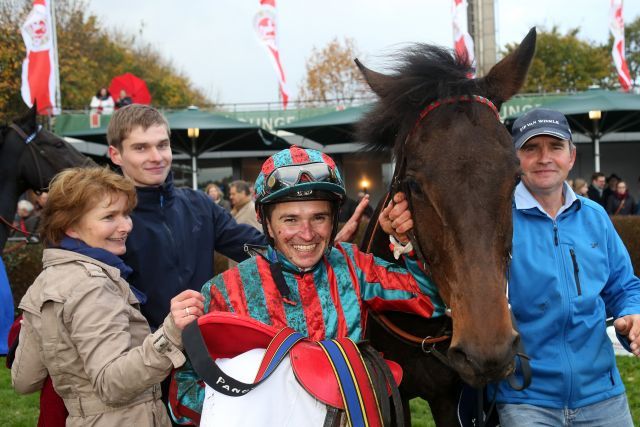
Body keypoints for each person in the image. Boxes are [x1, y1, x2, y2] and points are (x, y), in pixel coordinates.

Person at [169, 147, 444, 424]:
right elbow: (186, 392)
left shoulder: (353, 266)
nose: (307, 234)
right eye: (290, 219)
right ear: (265, 220)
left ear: (333, 218)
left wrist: (405, 243)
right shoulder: (223, 291)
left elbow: (431, 300)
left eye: (319, 217)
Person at [11, 167, 205, 426]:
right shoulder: (94, 285)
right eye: (109, 217)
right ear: (70, 226)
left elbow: (24, 379)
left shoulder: (45, 282)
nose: (125, 226)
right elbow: (111, 385)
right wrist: (170, 333)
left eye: (125, 214)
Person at [491, 109, 640, 426]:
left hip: (603, 395)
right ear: (515, 159)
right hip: (525, 398)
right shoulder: (495, 222)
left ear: (571, 157)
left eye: (555, 147)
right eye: (531, 148)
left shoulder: (595, 216)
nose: (544, 158)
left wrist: (631, 314)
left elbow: (624, 286)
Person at [228, 180, 261, 268]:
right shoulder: (236, 209)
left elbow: (256, 243)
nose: (230, 197)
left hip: (247, 268)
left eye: (233, 194)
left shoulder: (252, 210)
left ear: (242, 193)